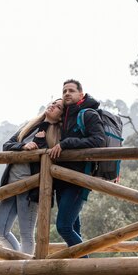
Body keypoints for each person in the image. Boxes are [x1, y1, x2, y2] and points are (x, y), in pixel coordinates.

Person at [0, 99, 64, 254]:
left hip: (31, 189)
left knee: (26, 234)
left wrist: (40, 142)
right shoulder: (29, 126)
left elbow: (49, 158)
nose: (53, 105)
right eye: (53, 102)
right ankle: (20, 264)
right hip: (10, 184)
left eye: (58, 107)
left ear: (60, 117)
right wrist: (23, 146)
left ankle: (24, 272)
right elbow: (7, 145)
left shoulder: (57, 134)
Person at [48, 79, 105, 249]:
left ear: (81, 94)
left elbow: (99, 140)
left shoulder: (88, 114)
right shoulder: (66, 116)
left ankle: (87, 268)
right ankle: (79, 270)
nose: (67, 93)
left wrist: (67, 143)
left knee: (63, 227)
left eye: (71, 90)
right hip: (62, 179)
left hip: (78, 179)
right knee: (73, 228)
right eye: (64, 91)